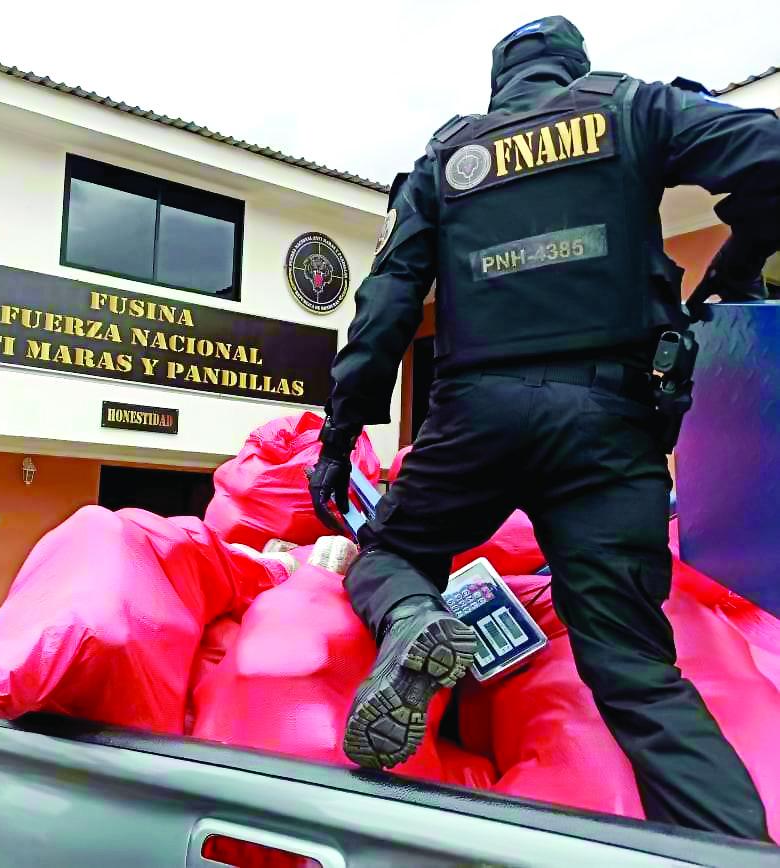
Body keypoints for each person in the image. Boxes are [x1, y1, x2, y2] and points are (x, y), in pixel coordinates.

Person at [309, 16, 780, 841]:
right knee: (636, 673)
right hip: (610, 427)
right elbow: (770, 154)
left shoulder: (448, 158)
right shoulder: (635, 110)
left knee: (389, 554)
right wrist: (736, 268)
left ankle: (413, 618)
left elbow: (384, 307)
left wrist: (341, 436)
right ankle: (736, 852)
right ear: (573, 68)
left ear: (501, 83)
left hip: (474, 420)